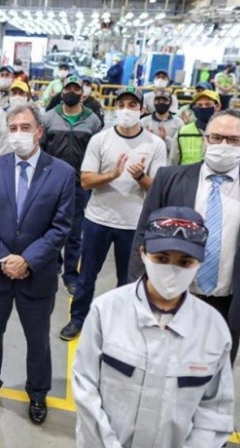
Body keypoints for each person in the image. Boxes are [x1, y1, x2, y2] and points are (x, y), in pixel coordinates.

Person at [129, 109, 240, 386]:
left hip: (228, 304)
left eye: (233, 140)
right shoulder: (170, 179)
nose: (223, 145)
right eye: (216, 137)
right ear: (205, 140)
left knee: (212, 379)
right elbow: (143, 238)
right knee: (159, 371)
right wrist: (134, 293)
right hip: (172, 296)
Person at [73, 206, 234, 448]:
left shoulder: (213, 329)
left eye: (185, 262)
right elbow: (86, 388)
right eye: (162, 259)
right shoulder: (106, 311)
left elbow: (215, 410)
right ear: (144, 253)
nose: (172, 270)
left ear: (199, 263)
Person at [0, 102, 75, 424]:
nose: (18, 135)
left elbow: (61, 227)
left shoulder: (62, 173)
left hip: (37, 275)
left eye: (25, 128)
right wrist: (4, 258)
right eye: (13, 128)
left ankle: (38, 393)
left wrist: (27, 260)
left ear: (39, 132)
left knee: (38, 340)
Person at [59, 87, 167, 341]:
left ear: (142, 110)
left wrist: (140, 176)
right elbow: (85, 180)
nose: (126, 110)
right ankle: (77, 319)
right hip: (98, 220)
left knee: (128, 281)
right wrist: (113, 175)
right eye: (122, 105)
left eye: (132, 105)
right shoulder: (101, 139)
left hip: (134, 224)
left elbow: (158, 189)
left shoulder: (155, 144)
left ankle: (121, 326)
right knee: (86, 276)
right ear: (115, 108)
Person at [42, 75, 103, 295]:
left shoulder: (93, 120)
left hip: (80, 184)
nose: (72, 92)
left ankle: (70, 274)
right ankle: (51, 265)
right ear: (62, 90)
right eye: (68, 88)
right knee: (50, 225)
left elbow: (98, 152)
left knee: (75, 231)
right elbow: (40, 150)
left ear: (82, 93)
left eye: (76, 89)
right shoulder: (48, 118)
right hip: (52, 183)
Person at [172, 89, 221, 166]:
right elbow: (173, 162)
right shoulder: (182, 132)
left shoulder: (226, 133)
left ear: (217, 107)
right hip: (186, 177)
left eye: (208, 104)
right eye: (199, 105)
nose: (203, 107)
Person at [0, 80, 31, 158]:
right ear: (9, 96)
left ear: (27, 96)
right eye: (14, 93)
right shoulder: (0, 115)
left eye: (21, 93)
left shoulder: (33, 116)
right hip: (0, 160)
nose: (17, 96)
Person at [141, 89, 184, 161]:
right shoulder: (144, 122)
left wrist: (165, 139)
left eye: (164, 100)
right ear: (153, 102)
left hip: (168, 165)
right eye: (158, 100)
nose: (161, 102)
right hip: (147, 162)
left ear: (170, 103)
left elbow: (179, 149)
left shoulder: (178, 123)